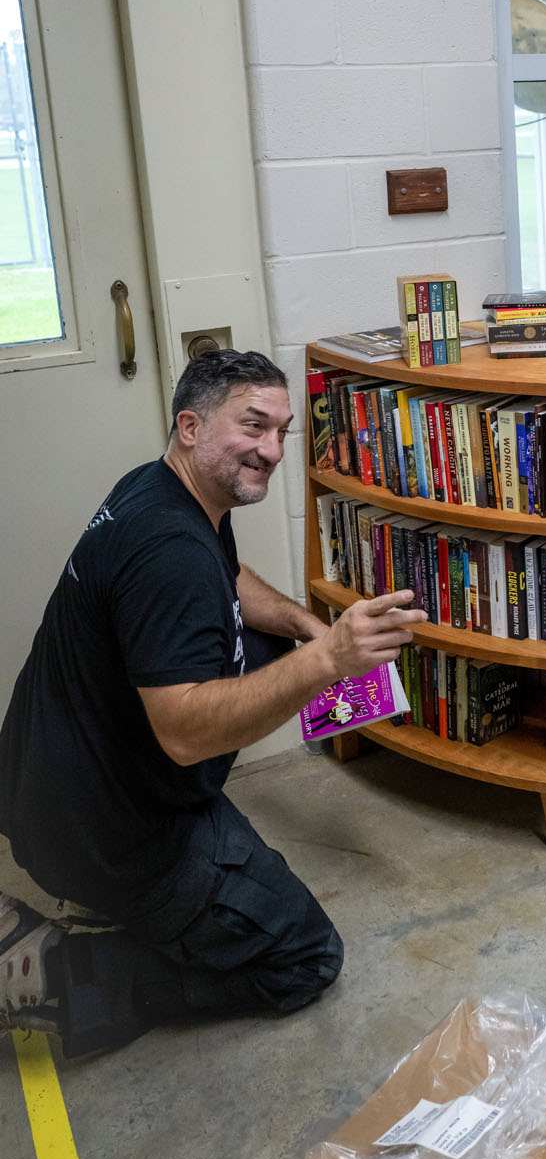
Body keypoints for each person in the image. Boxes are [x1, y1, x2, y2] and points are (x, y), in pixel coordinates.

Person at [0, 348, 425, 1056]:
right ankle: (61, 969)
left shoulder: (157, 488)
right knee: (304, 958)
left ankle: (120, 895)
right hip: (106, 829)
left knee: (269, 652)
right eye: (253, 426)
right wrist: (330, 659)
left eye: (281, 432)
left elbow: (227, 575)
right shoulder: (169, 552)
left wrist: (304, 626)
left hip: (45, 784)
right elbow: (184, 736)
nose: (271, 450)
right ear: (190, 426)